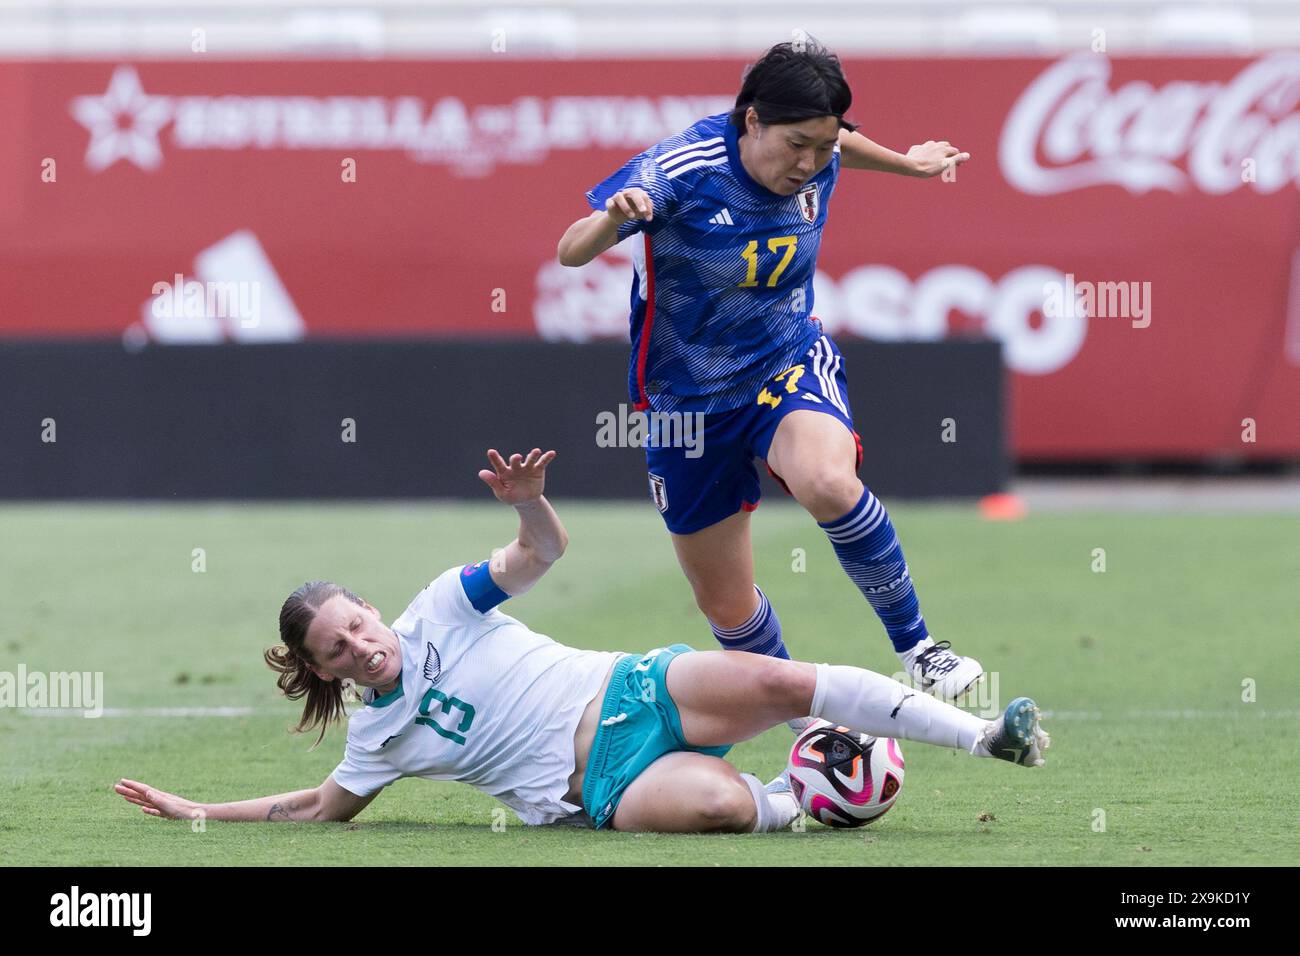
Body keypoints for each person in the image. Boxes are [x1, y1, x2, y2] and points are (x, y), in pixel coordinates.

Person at [116, 448, 1049, 834]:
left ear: (367, 607)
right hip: (601, 785)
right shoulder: (375, 741)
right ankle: (799, 792)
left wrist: (528, 507)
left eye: (354, 622)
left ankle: (982, 738)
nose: (360, 645)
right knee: (723, 810)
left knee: (783, 677)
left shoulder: (443, 604)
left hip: (639, 688)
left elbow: (541, 553)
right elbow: (317, 809)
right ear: (322, 672)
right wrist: (199, 812)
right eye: (336, 649)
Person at [557, 38, 982, 703]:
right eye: (795, 145)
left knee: (827, 483)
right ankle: (808, 730)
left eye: (824, 144)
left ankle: (920, 649)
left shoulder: (820, 152)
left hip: (784, 363)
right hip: (683, 407)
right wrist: (612, 218)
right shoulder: (680, 169)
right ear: (751, 119)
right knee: (726, 606)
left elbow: (841, 144)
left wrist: (909, 164)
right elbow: (569, 252)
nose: (809, 163)